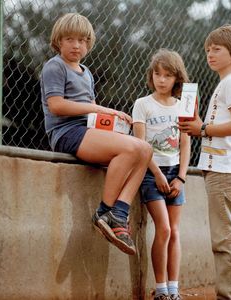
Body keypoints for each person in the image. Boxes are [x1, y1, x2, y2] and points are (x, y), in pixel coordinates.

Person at [40, 13, 152, 255]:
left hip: (87, 131)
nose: (76, 45)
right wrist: (99, 108)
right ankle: (104, 212)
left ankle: (119, 213)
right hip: (66, 133)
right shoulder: (54, 66)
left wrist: (112, 122)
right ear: (58, 41)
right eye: (69, 39)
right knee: (132, 148)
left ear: (88, 43)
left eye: (82, 40)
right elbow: (57, 106)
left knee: (144, 149)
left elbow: (92, 116)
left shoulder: (87, 72)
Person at [179, 25, 231, 300]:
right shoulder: (227, 83)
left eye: (217, 49)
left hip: (224, 171)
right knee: (227, 238)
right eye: (208, 49)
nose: (210, 54)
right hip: (221, 169)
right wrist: (200, 125)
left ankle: (229, 297)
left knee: (225, 240)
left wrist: (202, 129)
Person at [132, 49, 191, 300]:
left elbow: (186, 143)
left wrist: (181, 177)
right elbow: (141, 145)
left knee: (174, 231)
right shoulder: (142, 104)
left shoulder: (183, 106)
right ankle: (161, 289)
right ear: (151, 75)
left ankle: (173, 290)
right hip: (151, 172)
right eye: (158, 74)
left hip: (175, 173)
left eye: (168, 75)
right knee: (164, 229)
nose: (162, 79)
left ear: (177, 78)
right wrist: (156, 173)